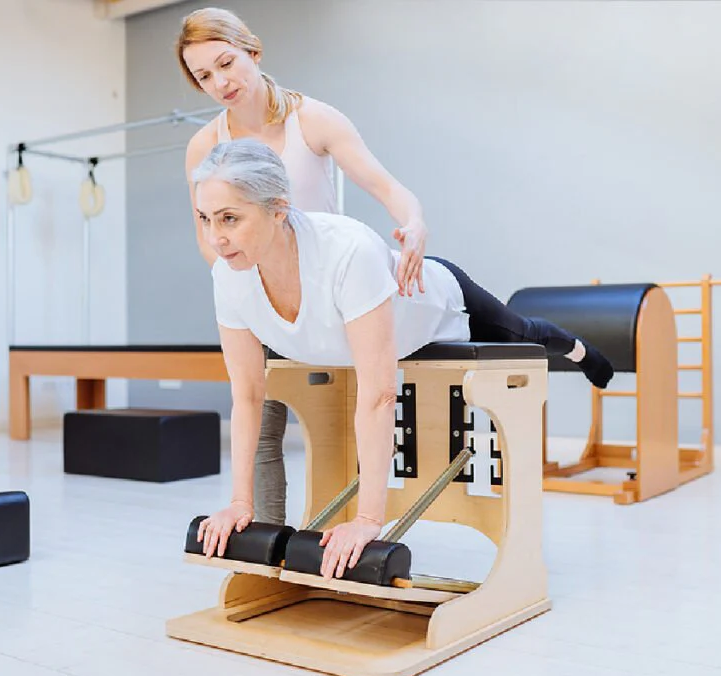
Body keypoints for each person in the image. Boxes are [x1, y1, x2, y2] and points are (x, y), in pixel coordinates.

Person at [190, 138, 614, 579]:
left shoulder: (347, 251)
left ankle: (578, 349)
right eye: (205, 218)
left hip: (445, 302)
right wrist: (240, 504)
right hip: (383, 323)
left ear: (277, 209)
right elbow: (248, 394)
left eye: (230, 219)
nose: (215, 238)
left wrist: (369, 522)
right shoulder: (229, 274)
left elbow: (378, 394)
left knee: (526, 334)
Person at [177, 6, 429, 528]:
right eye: (204, 76)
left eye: (226, 63)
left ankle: (361, 524)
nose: (219, 82)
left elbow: (385, 187)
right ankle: (261, 542)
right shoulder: (205, 146)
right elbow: (208, 236)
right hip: (262, 293)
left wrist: (414, 223)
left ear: (253, 50)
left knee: (364, 405)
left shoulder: (311, 120)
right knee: (260, 415)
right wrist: (241, 279)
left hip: (328, 290)